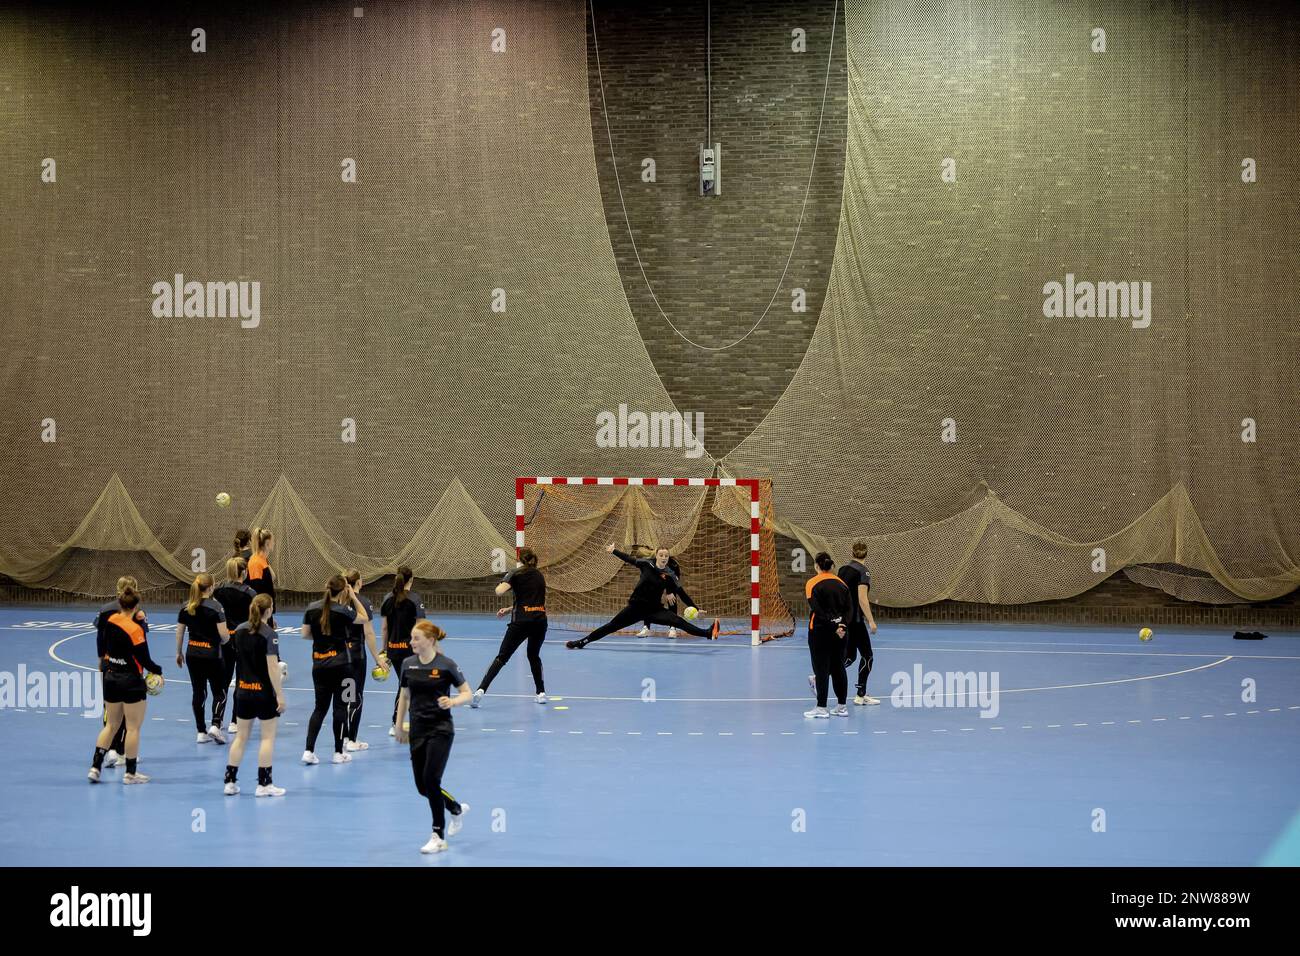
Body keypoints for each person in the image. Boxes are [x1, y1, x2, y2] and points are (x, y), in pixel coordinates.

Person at [395, 620, 471, 854]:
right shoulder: (408, 664)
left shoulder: (447, 665)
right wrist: (398, 726)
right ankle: (455, 808)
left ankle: (438, 835)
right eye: (411, 638)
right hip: (417, 730)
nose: (411, 643)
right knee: (422, 787)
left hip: (441, 730)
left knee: (431, 779)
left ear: (430, 640)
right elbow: (404, 697)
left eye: (416, 638)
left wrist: (453, 701)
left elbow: (467, 693)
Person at [565, 544, 718, 648]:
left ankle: (708, 634)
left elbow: (682, 594)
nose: (664, 557)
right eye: (661, 555)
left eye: (666, 555)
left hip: (654, 610)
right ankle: (582, 642)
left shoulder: (670, 575)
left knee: (678, 621)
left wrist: (697, 609)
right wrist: (614, 551)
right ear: (656, 555)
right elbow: (629, 559)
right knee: (610, 627)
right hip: (635, 608)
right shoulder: (646, 564)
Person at [87, 586, 164, 784]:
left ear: (120, 604)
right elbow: (145, 659)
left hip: (111, 678)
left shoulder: (111, 621)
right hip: (131, 682)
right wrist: (158, 671)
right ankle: (130, 773)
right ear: (136, 606)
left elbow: (102, 643)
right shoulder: (135, 630)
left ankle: (95, 767)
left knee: (111, 725)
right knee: (132, 728)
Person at [301, 575, 370, 764]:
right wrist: (354, 597)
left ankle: (308, 750)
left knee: (319, 708)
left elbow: (305, 635)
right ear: (343, 590)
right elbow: (364, 618)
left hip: (319, 666)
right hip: (343, 666)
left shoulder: (311, 608)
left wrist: (321, 639)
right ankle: (338, 753)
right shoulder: (343, 610)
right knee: (340, 707)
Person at [224, 594, 287, 796]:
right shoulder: (269, 634)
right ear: (268, 611)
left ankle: (230, 781)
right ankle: (264, 784)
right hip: (264, 694)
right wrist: (280, 695)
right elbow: (272, 667)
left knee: (241, 737)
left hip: (242, 692)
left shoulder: (240, 630)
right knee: (267, 739)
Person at [472, 547, 547, 707]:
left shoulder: (516, 573)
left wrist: (506, 579)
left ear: (518, 559)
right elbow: (530, 601)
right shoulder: (539, 575)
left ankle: (480, 690)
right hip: (540, 621)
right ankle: (541, 693)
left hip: (521, 622)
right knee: (533, 656)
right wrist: (508, 609)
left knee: (502, 657)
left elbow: (499, 591)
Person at [175, 572, 232, 743]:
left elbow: (179, 632)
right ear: (211, 587)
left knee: (198, 692)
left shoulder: (186, 606)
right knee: (219, 691)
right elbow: (224, 635)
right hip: (212, 655)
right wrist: (227, 640)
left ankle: (201, 731)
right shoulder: (216, 607)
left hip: (192, 654)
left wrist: (178, 653)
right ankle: (215, 725)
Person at [93, 575, 143, 768]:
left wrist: (100, 659)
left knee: (110, 708)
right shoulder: (137, 613)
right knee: (129, 713)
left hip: (108, 663)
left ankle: (111, 750)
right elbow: (140, 641)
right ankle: (122, 751)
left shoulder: (105, 610)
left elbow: (99, 637)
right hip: (129, 667)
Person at [342, 569, 387, 751]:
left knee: (345, 696)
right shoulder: (363, 603)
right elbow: (368, 633)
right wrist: (378, 658)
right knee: (356, 697)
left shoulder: (339, 601)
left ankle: (343, 738)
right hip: (356, 655)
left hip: (339, 655)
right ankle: (352, 740)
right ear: (359, 583)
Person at [805, 552, 852, 718]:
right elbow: (849, 610)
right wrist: (842, 626)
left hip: (820, 631)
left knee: (821, 669)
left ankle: (822, 707)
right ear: (832, 566)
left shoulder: (811, 584)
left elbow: (817, 610)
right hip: (841, 633)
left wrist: (833, 625)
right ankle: (841, 707)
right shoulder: (842, 584)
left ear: (816, 566)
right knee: (839, 667)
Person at [380, 566, 426, 735]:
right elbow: (421, 627)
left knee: (406, 684)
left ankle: (399, 723)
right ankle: (397, 723)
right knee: (407, 686)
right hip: (410, 650)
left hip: (393, 650)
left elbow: (384, 628)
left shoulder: (387, 598)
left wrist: (383, 651)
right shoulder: (414, 599)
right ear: (411, 580)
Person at [213, 557, 256, 734]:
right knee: (241, 681)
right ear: (244, 572)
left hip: (224, 640)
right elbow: (254, 619)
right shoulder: (250, 593)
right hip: (243, 641)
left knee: (222, 680)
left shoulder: (219, 590)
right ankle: (234, 721)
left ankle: (216, 721)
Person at [838, 541, 879, 705]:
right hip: (855, 621)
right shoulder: (864, 572)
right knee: (867, 656)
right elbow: (862, 599)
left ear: (852, 553)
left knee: (849, 657)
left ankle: (819, 676)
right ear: (866, 554)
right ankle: (860, 695)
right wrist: (871, 621)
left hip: (844, 619)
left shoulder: (842, 570)